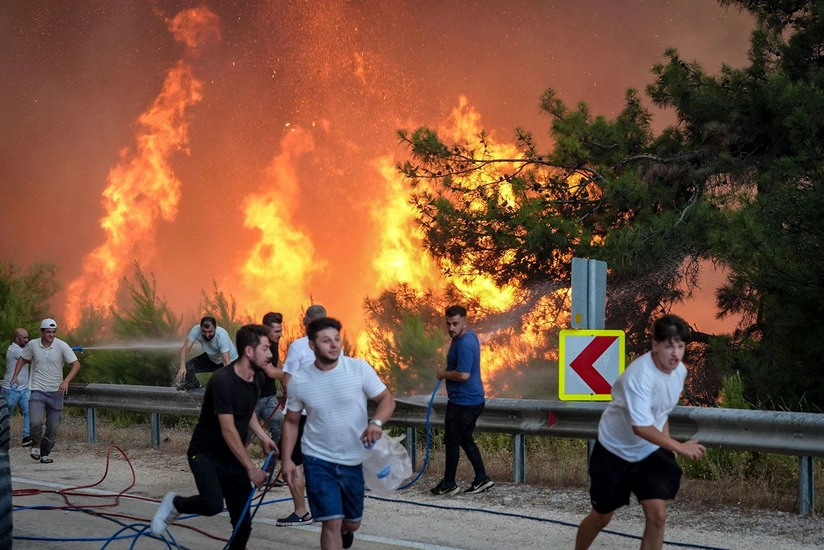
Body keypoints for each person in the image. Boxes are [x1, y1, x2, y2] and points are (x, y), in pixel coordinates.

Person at [574, 314, 706, 550]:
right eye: (669, 346)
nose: (676, 353)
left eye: (680, 346)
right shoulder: (640, 376)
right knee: (602, 517)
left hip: (648, 451)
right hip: (614, 450)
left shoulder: (679, 372)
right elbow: (641, 427)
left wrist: (667, 447)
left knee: (657, 517)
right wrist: (678, 446)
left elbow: (661, 411)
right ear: (655, 345)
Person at [151, 324, 279, 549]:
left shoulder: (257, 379)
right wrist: (251, 468)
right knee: (212, 504)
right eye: (265, 349)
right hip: (206, 453)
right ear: (249, 351)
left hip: (232, 457)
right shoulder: (222, 381)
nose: (270, 354)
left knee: (243, 524)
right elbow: (228, 429)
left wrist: (263, 436)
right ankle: (176, 503)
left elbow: (247, 411)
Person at [281, 317, 395, 550]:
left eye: (336, 339)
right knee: (330, 522)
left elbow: (386, 399)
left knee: (351, 522)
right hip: (318, 459)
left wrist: (376, 423)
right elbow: (291, 422)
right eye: (326, 340)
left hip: (353, 459)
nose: (334, 345)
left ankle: (346, 530)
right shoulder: (299, 381)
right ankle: (337, 530)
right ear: (312, 345)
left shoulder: (358, 368)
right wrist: (287, 460)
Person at [430, 305, 494, 495]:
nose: (451, 328)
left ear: (464, 322)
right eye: (448, 323)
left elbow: (463, 375)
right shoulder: (464, 337)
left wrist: (443, 373)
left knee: (452, 441)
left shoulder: (465, 344)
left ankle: (449, 483)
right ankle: (482, 478)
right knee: (465, 439)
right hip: (471, 400)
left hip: (464, 403)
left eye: (455, 323)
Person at [274, 303, 328, 527]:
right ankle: (327, 510)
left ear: (306, 323)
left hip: (300, 416)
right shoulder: (334, 346)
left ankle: (301, 512)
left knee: (292, 462)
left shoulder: (298, 346)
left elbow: (287, 380)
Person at [10, 318, 81, 464]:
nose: (51, 335)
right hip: (37, 390)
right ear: (42, 332)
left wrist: (66, 381)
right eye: (48, 332)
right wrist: (15, 376)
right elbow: (22, 359)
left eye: (54, 332)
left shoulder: (62, 345)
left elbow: (76, 364)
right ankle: (36, 444)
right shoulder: (33, 344)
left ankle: (45, 453)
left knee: (53, 427)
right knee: (35, 422)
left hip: (56, 392)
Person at [176, 316, 239, 390]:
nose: (207, 335)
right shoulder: (196, 330)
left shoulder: (221, 336)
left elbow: (226, 361)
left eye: (210, 331)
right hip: (212, 358)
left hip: (230, 361)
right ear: (200, 327)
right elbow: (184, 350)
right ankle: (193, 384)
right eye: (204, 331)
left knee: (223, 384)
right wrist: (182, 367)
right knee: (188, 366)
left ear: (215, 328)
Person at [256, 311, 285, 446]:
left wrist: (284, 383)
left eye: (281, 331)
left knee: (281, 429)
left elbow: (276, 362)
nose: (280, 334)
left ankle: (273, 458)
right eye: (277, 331)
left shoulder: (274, 341)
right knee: (244, 434)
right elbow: (271, 372)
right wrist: (293, 376)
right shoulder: (259, 345)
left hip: (269, 397)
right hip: (252, 398)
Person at [3, 328, 32, 447]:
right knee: (6, 415)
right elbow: (30, 360)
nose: (27, 340)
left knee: (29, 412)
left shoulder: (22, 349)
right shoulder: (14, 350)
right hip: (11, 389)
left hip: (24, 389)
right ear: (17, 339)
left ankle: (27, 437)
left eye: (27, 337)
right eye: (24, 338)